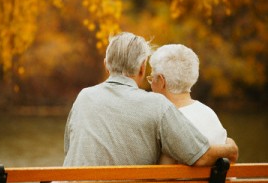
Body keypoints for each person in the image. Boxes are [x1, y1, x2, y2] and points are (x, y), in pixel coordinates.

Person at [62, 32, 238, 167]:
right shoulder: (157, 104)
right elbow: (201, 156)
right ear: (142, 68)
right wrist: (230, 148)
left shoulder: (83, 97)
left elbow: (70, 150)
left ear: (106, 66)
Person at [148, 44, 228, 164]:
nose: (151, 84)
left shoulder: (168, 120)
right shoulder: (209, 113)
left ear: (161, 81)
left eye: (151, 78)